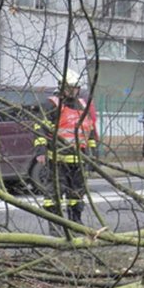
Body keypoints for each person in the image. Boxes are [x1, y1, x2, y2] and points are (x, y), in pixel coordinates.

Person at [33, 69, 98, 235]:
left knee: (76, 194)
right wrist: (40, 151)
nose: (73, 91)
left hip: (79, 159)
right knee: (53, 194)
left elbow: (89, 130)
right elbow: (39, 128)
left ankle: (75, 223)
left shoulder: (83, 105)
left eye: (75, 87)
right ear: (62, 87)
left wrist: (94, 154)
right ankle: (55, 225)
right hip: (57, 159)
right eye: (69, 87)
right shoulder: (52, 105)